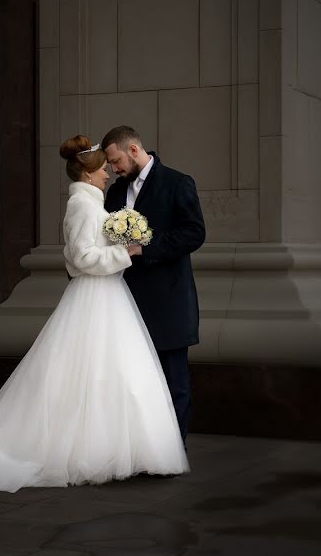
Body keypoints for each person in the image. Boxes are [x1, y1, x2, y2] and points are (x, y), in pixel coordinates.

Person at [0, 135, 189, 492]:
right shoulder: (82, 206)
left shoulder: (94, 203)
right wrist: (127, 253)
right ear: (89, 174)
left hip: (109, 295)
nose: (109, 173)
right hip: (95, 295)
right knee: (87, 374)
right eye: (102, 169)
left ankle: (118, 449)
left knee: (112, 375)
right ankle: (90, 451)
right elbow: (79, 260)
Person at [102, 125, 206, 441]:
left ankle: (172, 453)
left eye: (116, 160)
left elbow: (194, 233)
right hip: (127, 301)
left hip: (169, 301)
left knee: (174, 381)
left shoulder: (177, 183)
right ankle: (142, 450)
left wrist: (145, 248)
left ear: (133, 150)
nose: (113, 169)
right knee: (136, 381)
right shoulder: (117, 192)